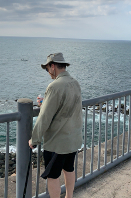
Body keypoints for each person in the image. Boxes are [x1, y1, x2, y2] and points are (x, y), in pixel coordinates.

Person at [29, 52, 83, 198]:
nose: (48, 73)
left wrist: (34, 139)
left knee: (53, 176)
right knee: (69, 169)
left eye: (47, 69)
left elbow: (44, 117)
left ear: (52, 66)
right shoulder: (75, 82)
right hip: (72, 138)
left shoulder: (55, 86)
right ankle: (69, 196)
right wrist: (45, 103)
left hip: (57, 142)